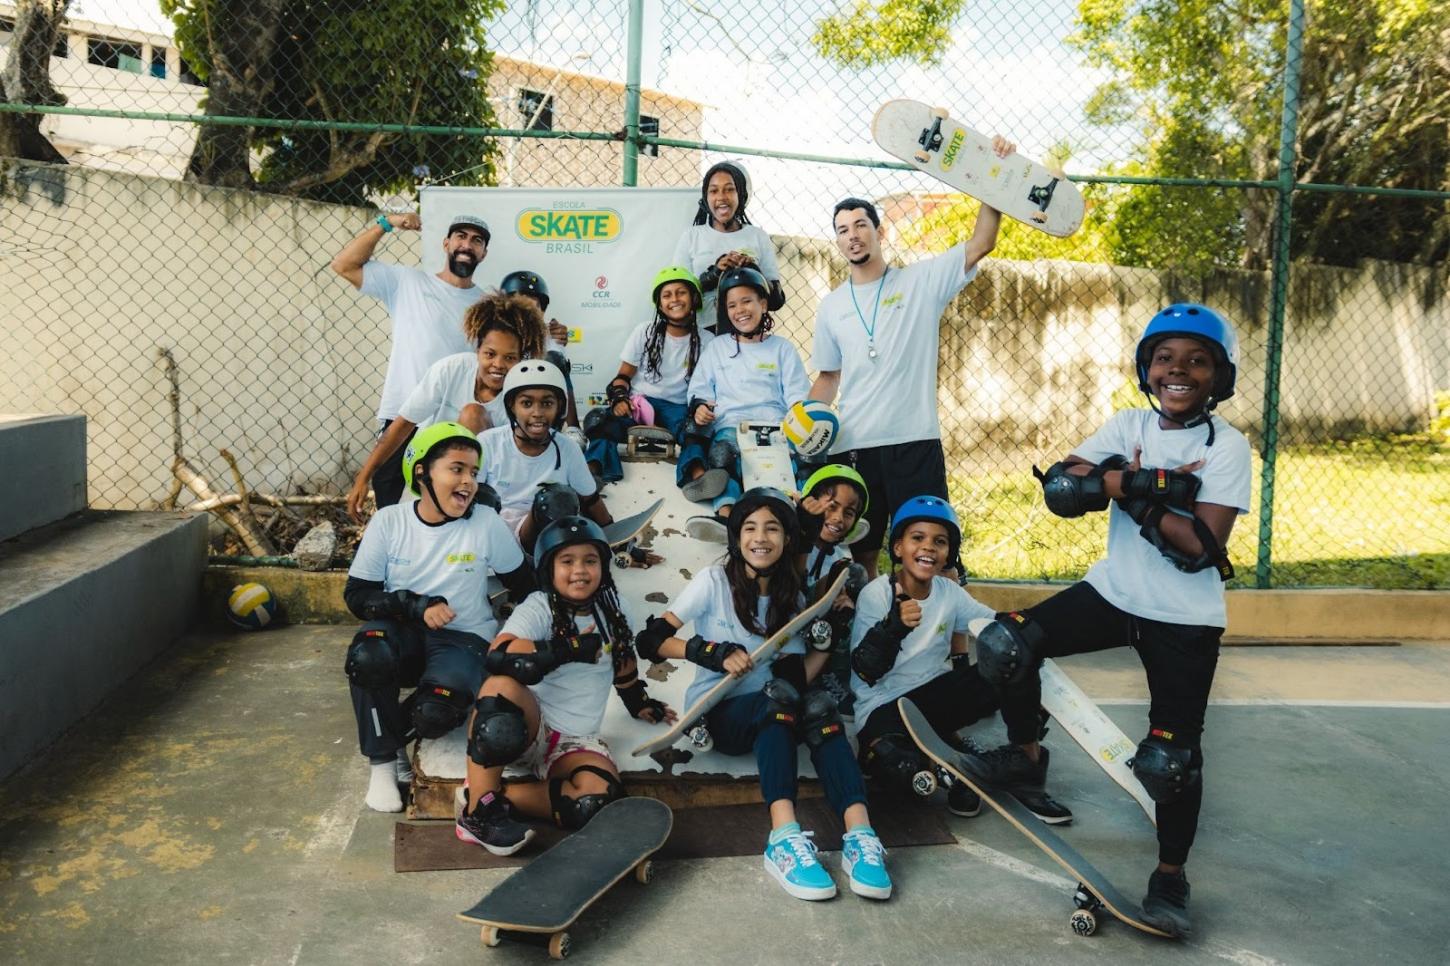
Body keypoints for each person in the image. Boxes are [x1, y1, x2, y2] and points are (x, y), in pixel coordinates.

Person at [956, 304, 1251, 938]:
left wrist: (1121, 486)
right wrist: (1153, 485)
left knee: (1170, 761)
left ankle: (1170, 878)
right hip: (1113, 593)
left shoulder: (1227, 447)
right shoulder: (1128, 423)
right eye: (1165, 359)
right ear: (1147, 369)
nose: (1179, 370)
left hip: (1185, 617)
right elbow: (1064, 488)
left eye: (1197, 361)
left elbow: (1199, 548)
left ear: (1219, 377)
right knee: (1006, 643)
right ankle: (1025, 756)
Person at [634, 487, 892, 901]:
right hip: (719, 712)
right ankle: (783, 838)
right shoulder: (713, 581)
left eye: (772, 528)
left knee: (819, 706)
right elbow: (651, 641)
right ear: (736, 537)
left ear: (787, 539)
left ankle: (860, 835)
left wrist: (828, 641)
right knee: (778, 703)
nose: (760, 538)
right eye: (750, 528)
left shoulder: (793, 598)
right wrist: (709, 652)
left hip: (776, 705)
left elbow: (795, 677)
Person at [807, 136, 1015, 578]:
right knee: (860, 556)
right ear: (837, 241)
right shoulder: (831, 305)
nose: (852, 235)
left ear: (879, 232)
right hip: (854, 446)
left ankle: (946, 624)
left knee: (935, 555)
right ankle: (865, 620)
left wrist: (993, 175)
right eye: (842, 229)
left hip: (914, 441)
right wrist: (803, 421)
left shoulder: (921, 282)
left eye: (860, 225)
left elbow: (982, 242)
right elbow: (828, 377)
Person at [341, 422, 534, 813]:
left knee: (435, 713)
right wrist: (414, 605)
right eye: (456, 469)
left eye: (474, 472)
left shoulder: (485, 522)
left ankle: (394, 736)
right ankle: (383, 764)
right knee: (369, 654)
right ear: (422, 473)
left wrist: (512, 635)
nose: (468, 481)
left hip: (463, 639)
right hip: (402, 634)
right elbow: (357, 597)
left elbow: (527, 587)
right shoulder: (390, 521)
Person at [455, 516, 675, 855]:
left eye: (590, 561)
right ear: (549, 568)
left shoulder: (616, 608)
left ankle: (488, 797)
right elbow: (499, 654)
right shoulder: (539, 606)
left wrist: (638, 702)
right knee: (499, 688)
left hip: (576, 740)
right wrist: (566, 649)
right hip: (529, 727)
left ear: (602, 566)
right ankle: (477, 816)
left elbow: (623, 661)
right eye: (567, 561)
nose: (580, 571)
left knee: (595, 802)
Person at [849, 496, 1071, 824]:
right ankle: (961, 772)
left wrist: (1036, 639)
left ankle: (1021, 763)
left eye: (939, 542)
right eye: (917, 538)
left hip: (935, 700)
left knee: (1014, 651)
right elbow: (866, 671)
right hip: (884, 708)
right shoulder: (877, 593)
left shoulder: (948, 592)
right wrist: (892, 628)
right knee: (897, 770)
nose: (928, 547)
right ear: (898, 548)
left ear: (948, 553)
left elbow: (997, 625)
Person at [331, 212, 489, 507]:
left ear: (484, 253)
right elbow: (344, 264)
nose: (467, 245)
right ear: (446, 243)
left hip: (452, 422)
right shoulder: (408, 281)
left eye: (476, 241)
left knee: (446, 510)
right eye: (461, 236)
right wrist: (386, 223)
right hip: (401, 415)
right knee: (391, 507)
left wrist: (554, 333)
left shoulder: (487, 305)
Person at [345, 292, 548, 522]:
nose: (498, 364)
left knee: (473, 414)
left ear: (521, 359)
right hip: (430, 474)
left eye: (510, 358)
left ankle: (466, 515)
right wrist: (364, 477)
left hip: (484, 488)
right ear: (478, 350)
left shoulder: (523, 393)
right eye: (490, 354)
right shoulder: (451, 370)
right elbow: (402, 425)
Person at [684, 267, 810, 521]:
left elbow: (797, 393)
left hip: (776, 427)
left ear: (763, 304)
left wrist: (799, 420)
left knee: (803, 458)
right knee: (723, 455)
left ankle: (805, 512)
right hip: (733, 427)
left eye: (747, 301)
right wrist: (700, 407)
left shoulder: (782, 348)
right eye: (732, 305)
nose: (740, 310)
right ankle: (725, 514)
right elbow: (699, 389)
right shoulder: (717, 347)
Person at [584, 266, 717, 490]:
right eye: (667, 295)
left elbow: (706, 386)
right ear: (660, 304)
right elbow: (623, 376)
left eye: (681, 293)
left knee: (699, 429)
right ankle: (592, 472)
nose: (674, 299)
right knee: (599, 420)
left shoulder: (708, 340)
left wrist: (700, 408)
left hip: (678, 409)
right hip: (640, 403)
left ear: (694, 298)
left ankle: (697, 477)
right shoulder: (645, 331)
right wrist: (619, 399)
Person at [478, 359, 613, 551]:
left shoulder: (568, 448)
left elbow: (590, 499)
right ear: (511, 406)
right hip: (494, 534)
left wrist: (618, 539)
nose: (537, 413)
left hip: (542, 536)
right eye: (526, 403)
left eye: (547, 403)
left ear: (559, 407)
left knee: (558, 499)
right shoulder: (488, 443)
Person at [671, 160, 784, 333]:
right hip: (703, 334)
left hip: (747, 335)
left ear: (741, 194)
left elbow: (776, 300)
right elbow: (678, 296)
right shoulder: (692, 236)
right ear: (706, 197)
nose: (721, 197)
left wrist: (752, 272)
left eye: (729, 189)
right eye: (714, 190)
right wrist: (714, 274)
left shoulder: (757, 236)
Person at [500, 270, 584, 430]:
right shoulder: (495, 334)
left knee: (555, 359)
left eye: (534, 308)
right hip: (503, 405)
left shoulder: (550, 336)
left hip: (537, 410)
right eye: (521, 307)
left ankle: (573, 429)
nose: (528, 314)